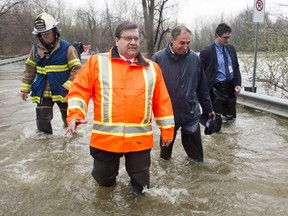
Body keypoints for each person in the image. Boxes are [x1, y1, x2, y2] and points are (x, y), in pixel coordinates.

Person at [65, 21, 174, 194]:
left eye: (136, 38)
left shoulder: (153, 68)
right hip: (105, 141)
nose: (133, 42)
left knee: (142, 189)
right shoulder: (96, 63)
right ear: (117, 40)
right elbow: (79, 91)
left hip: (139, 142)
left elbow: (162, 103)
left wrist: (167, 131)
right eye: (128, 38)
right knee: (104, 187)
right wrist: (74, 115)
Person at [151, 26, 215, 163]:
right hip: (168, 116)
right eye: (182, 43)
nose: (186, 46)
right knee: (164, 160)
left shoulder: (195, 59)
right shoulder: (157, 59)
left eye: (188, 43)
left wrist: (209, 109)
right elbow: (150, 91)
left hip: (190, 113)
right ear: (172, 40)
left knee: (197, 160)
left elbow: (202, 88)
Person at [20, 13, 81, 134]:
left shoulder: (67, 48)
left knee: (69, 121)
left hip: (63, 91)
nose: (45, 37)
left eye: (47, 33)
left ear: (54, 32)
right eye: (42, 34)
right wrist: (25, 88)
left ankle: (70, 140)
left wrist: (69, 85)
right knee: (42, 123)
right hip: (43, 91)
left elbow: (77, 69)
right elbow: (30, 69)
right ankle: (45, 146)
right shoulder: (35, 49)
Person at [199, 23, 241, 129]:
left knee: (231, 119)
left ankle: (228, 143)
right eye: (225, 37)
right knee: (216, 121)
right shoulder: (206, 52)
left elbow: (236, 68)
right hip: (215, 89)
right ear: (217, 36)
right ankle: (216, 139)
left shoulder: (231, 49)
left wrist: (238, 84)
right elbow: (200, 73)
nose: (227, 40)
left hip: (230, 88)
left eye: (229, 37)